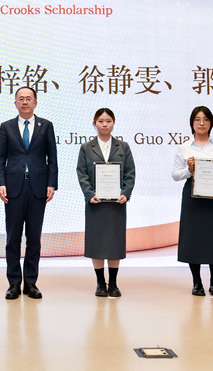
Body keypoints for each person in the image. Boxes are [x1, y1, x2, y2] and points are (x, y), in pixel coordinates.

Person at [0, 86, 58, 300]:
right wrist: (0, 183)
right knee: (13, 238)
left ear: (35, 103)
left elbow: (52, 158)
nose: (24, 102)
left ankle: (30, 282)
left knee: (34, 238)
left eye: (28, 99)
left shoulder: (46, 126)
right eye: (20, 99)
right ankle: (14, 283)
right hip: (13, 189)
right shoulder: (6, 126)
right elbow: (0, 158)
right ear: (15, 103)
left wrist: (52, 184)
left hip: (38, 188)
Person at [172, 106, 213, 296]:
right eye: (197, 119)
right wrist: (188, 170)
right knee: (193, 239)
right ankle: (197, 282)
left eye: (206, 119)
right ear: (192, 123)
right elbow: (175, 175)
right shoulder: (184, 147)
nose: (201, 123)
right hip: (192, 198)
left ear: (211, 123)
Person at [76, 108, 135, 297]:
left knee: (115, 242)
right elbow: (82, 173)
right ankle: (100, 283)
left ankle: (114, 284)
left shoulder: (123, 147)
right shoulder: (86, 148)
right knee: (97, 242)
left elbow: (130, 173)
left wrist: (126, 193)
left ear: (113, 123)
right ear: (94, 123)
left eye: (108, 121)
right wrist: (89, 193)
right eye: (101, 121)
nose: (104, 124)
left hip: (117, 204)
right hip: (95, 203)